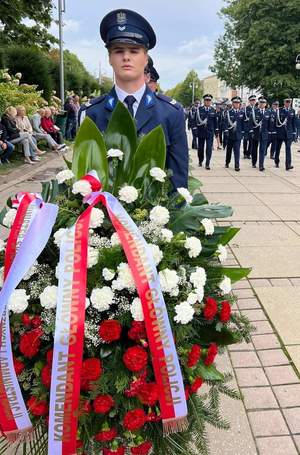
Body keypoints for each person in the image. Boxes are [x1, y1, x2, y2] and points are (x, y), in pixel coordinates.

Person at [79, 9, 188, 189]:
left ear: (146, 59)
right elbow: (83, 175)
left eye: (134, 50)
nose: (126, 57)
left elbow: (178, 181)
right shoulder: (91, 113)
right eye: (118, 51)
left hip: (155, 213)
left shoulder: (170, 113)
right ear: (110, 58)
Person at [196, 94, 218, 170]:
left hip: (209, 133)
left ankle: (207, 163)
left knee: (209, 148)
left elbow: (215, 122)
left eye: (209, 100)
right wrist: (195, 130)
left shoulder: (213, 110)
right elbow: (195, 120)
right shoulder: (199, 109)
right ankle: (200, 160)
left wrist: (216, 131)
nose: (208, 102)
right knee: (200, 149)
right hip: (201, 132)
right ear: (204, 101)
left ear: (211, 101)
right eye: (206, 100)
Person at [275, 97, 296, 170]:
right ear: (284, 103)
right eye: (286, 102)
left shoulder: (292, 111)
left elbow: (293, 123)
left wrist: (294, 133)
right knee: (278, 148)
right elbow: (276, 122)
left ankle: (288, 165)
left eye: (289, 102)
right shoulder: (279, 110)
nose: (288, 103)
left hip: (288, 133)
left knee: (288, 149)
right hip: (280, 132)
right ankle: (276, 161)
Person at [224, 96, 245, 171]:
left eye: (238, 103)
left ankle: (237, 165)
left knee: (237, 151)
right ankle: (227, 162)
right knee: (229, 150)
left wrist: (243, 133)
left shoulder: (242, 112)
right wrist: (226, 130)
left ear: (239, 104)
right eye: (235, 103)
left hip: (238, 135)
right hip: (230, 135)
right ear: (232, 103)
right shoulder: (229, 112)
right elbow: (225, 122)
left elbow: (243, 124)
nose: (236, 104)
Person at [243, 95, 256, 159]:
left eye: (254, 100)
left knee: (251, 141)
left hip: (253, 128)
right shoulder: (246, 109)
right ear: (249, 101)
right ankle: (245, 153)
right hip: (246, 127)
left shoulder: (256, 109)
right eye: (252, 100)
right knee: (245, 140)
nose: (253, 102)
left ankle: (249, 153)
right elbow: (243, 119)